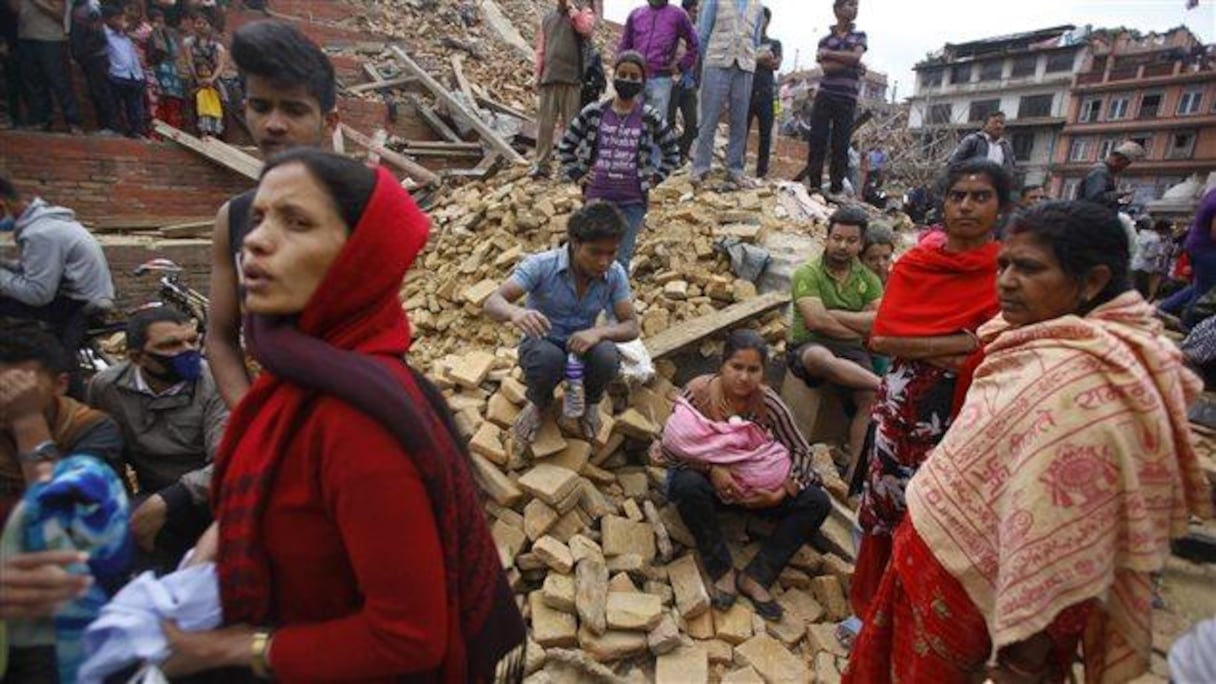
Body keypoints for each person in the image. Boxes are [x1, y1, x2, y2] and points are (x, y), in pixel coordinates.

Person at [160, 149, 526, 681]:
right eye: (258, 218)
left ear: (359, 256)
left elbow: (407, 638)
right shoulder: (295, 382)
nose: (255, 241)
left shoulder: (352, 424)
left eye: (297, 222)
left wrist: (231, 650)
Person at [843, 200, 1212, 684]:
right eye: (1004, 265)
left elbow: (1064, 526)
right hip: (935, 560)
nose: (1006, 281)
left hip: (980, 601)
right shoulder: (1031, 342)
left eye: (1029, 268)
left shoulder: (1089, 386)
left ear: (1093, 281)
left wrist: (1027, 645)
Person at [850, 159, 1007, 619]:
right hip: (902, 416)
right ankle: (871, 609)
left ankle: (918, 616)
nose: (966, 206)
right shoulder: (917, 265)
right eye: (957, 195)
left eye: (981, 197)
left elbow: (1001, 347)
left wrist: (932, 347)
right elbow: (882, 338)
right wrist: (963, 342)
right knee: (885, 511)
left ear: (1000, 207)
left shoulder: (1007, 272)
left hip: (970, 418)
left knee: (942, 522)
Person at [205, 20, 339, 409]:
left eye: (294, 110)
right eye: (261, 107)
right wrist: (250, 422)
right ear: (244, 110)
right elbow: (220, 337)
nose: (273, 124)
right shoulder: (233, 219)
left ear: (328, 121)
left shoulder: (363, 207)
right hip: (279, 412)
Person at [654, 330, 832, 620]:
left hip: (757, 493)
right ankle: (721, 568)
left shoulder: (767, 403)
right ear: (722, 365)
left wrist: (779, 492)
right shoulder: (698, 392)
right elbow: (668, 445)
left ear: (763, 372)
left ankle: (758, 575)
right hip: (709, 490)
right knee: (687, 485)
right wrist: (712, 469)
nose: (744, 377)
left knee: (817, 502)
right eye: (736, 367)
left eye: (753, 370)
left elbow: (801, 451)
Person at [483, 202, 640, 449]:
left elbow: (632, 325)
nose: (604, 262)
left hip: (582, 346)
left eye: (611, 253)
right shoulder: (542, 265)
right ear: (575, 244)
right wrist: (515, 312)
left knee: (607, 356)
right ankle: (538, 402)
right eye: (596, 252)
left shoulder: (615, 273)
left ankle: (590, 402)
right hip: (543, 343)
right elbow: (493, 302)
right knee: (546, 359)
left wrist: (598, 332)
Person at [86, 308, 227, 568]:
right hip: (151, 493)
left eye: (192, 340)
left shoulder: (217, 381)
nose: (188, 350)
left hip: (214, 497)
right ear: (137, 357)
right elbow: (104, 454)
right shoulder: (107, 387)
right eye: (171, 344)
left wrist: (169, 500)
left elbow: (229, 463)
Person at [557, 50, 681, 271]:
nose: (627, 80)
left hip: (632, 201)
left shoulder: (649, 116)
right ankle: (587, 302)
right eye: (622, 74)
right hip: (597, 197)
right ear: (613, 75)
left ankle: (615, 305)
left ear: (643, 82)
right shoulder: (594, 112)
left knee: (620, 262)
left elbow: (672, 151)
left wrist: (655, 178)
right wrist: (578, 174)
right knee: (589, 256)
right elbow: (566, 146)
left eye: (634, 77)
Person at [786, 206, 882, 471]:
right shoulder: (808, 273)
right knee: (819, 358)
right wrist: (859, 328)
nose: (842, 245)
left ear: (861, 244)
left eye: (851, 241)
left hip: (853, 352)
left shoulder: (869, 280)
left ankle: (854, 475)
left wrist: (834, 315)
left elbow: (878, 320)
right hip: (810, 345)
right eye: (837, 238)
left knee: (869, 401)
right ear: (826, 238)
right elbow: (815, 321)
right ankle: (883, 384)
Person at [0, 322, 123, 524]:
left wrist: (27, 419)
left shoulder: (91, 428)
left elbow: (60, 517)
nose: (7, 398)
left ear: (60, 385)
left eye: (21, 387)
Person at [0, 175, 115, 358]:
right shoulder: (47, 223)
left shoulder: (41, 233)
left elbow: (38, 294)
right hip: (82, 296)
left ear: (2, 206)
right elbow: (38, 269)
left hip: (79, 306)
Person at [690, 0, 764, 189]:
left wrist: (748, 57)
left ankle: (735, 169)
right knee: (709, 118)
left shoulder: (757, 6)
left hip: (745, 66)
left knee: (740, 120)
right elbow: (704, 34)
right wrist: (711, 59)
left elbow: (755, 39)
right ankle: (700, 167)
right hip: (717, 62)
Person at [803, 0, 866, 200]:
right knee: (817, 141)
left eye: (856, 5)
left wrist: (831, 55)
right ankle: (814, 185)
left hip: (847, 98)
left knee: (841, 144)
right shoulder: (824, 39)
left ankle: (836, 188)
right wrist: (853, 64)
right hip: (825, 96)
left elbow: (855, 58)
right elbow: (827, 68)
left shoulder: (860, 36)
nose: (854, 8)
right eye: (849, 4)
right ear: (837, 10)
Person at [531, 0, 596, 179]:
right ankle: (542, 164)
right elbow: (541, 50)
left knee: (571, 126)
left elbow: (585, 30)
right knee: (545, 125)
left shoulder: (584, 13)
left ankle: (568, 166)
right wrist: (537, 75)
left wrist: (572, 11)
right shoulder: (548, 19)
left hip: (572, 80)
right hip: (549, 79)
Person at [617, 0, 699, 121]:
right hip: (635, 79)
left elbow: (694, 44)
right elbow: (625, 45)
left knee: (656, 124)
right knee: (630, 121)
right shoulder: (636, 14)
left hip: (661, 80)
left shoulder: (678, 15)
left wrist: (681, 66)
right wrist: (621, 70)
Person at [17, 0, 82, 134]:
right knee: (34, 82)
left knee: (58, 80)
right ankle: (41, 120)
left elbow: (59, 13)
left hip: (50, 39)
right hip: (26, 36)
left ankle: (73, 120)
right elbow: (17, 10)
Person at [68, 0, 119, 135]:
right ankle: (105, 126)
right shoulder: (79, 7)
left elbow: (99, 35)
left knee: (101, 91)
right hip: (89, 56)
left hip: (95, 56)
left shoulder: (90, 7)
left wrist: (85, 51)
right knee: (95, 91)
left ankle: (110, 126)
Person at [101, 3, 147, 138]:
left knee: (135, 107)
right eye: (118, 19)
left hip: (134, 74)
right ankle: (116, 129)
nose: (121, 22)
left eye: (122, 18)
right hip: (116, 73)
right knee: (114, 105)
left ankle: (137, 131)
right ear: (107, 20)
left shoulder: (127, 33)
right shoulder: (104, 34)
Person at [746, 6, 781, 178]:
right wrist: (763, 57)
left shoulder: (775, 43)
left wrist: (752, 58)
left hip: (767, 94)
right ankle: (736, 166)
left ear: (768, 21)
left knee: (765, 136)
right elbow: (744, 57)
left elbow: (776, 64)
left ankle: (761, 172)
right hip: (747, 90)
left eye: (764, 17)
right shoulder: (748, 40)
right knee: (741, 132)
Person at [667, 0, 700, 162]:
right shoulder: (673, 28)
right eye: (695, 11)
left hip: (689, 84)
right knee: (668, 123)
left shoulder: (697, 33)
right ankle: (668, 157)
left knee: (693, 124)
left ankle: (681, 153)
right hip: (671, 83)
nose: (697, 15)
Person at [147, 7, 186, 130]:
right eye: (156, 22)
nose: (159, 25)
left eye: (161, 22)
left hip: (172, 75)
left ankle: (174, 132)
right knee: (159, 104)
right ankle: (159, 133)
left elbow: (175, 53)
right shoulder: (148, 34)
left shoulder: (169, 35)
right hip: (156, 73)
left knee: (173, 104)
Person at [1079, 140, 1144, 211]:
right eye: (1125, 164)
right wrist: (1119, 194)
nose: (1123, 168)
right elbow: (1096, 198)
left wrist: (1121, 203)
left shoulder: (1105, 172)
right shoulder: (1100, 172)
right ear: (1118, 159)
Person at [947, 111, 1014, 173]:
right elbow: (954, 163)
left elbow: (1010, 170)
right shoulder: (973, 140)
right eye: (995, 122)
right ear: (985, 125)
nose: (998, 126)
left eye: (1001, 123)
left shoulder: (1006, 147)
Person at [1131, 218, 1171, 300]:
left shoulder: (1143, 234)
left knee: (1135, 289)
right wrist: (1159, 254)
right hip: (1145, 267)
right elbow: (1149, 255)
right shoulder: (1156, 239)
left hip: (1135, 264)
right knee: (1142, 292)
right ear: (1163, 229)